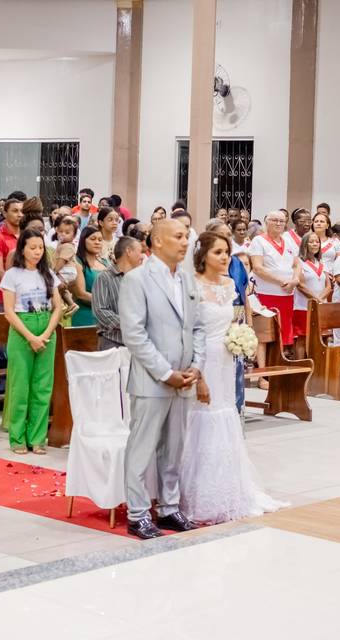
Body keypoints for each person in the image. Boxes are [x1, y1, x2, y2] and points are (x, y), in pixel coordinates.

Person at [179, 231, 286, 524]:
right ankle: (197, 492)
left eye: (226, 251)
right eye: (218, 252)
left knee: (226, 412)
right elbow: (188, 332)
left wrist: (241, 338)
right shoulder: (192, 286)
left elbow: (235, 319)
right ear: (202, 256)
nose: (225, 257)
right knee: (202, 414)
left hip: (226, 358)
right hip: (203, 359)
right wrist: (197, 374)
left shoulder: (228, 285)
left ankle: (229, 487)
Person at [119, 219, 205, 539]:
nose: (185, 242)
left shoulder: (187, 280)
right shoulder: (137, 279)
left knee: (174, 448)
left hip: (184, 379)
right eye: (178, 237)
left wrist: (196, 365)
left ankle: (169, 508)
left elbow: (197, 327)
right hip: (153, 380)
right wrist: (166, 373)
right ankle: (138, 512)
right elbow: (135, 334)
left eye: (186, 237)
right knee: (142, 448)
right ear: (156, 242)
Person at [1, 228, 63, 455]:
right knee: (20, 386)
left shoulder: (48, 274)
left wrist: (45, 335)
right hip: (22, 329)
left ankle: (37, 437)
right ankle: (18, 437)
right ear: (22, 249)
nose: (37, 252)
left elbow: (58, 308)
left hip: (46, 327)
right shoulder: (13, 275)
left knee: (42, 387)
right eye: (32, 248)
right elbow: (8, 311)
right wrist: (31, 337)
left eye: (40, 248)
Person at [249, 210, 300, 349]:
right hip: (266, 295)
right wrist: (282, 281)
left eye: (281, 221)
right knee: (266, 334)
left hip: (287, 295)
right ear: (266, 222)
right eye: (274, 220)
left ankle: (280, 362)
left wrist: (294, 280)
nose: (278, 223)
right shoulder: (258, 241)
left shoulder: (289, 242)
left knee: (284, 333)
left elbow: (297, 264)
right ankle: (266, 366)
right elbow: (258, 268)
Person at [92, 236, 143, 349]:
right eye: (140, 252)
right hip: (113, 342)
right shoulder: (104, 277)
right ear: (128, 251)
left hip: (138, 342)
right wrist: (128, 324)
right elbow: (100, 310)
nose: (142, 256)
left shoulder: (141, 277)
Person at [292, 232, 331, 355]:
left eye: (317, 242)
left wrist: (320, 299)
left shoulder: (321, 263)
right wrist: (316, 298)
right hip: (304, 306)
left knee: (318, 338)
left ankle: (316, 366)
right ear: (304, 244)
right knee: (302, 338)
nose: (315, 244)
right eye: (311, 241)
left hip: (320, 306)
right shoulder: (299, 262)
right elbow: (300, 285)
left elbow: (328, 286)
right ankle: (301, 368)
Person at [71, 225, 109, 327]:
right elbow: (81, 294)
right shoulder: (77, 262)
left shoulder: (106, 262)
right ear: (83, 241)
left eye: (100, 240)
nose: (97, 242)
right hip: (86, 317)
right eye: (93, 239)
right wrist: (107, 301)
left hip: (107, 316)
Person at [0, 197, 23, 311]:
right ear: (4, 212)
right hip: (3, 297)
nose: (19, 214)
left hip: (25, 296)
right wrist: (17, 289)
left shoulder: (26, 235)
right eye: (15, 211)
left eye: (21, 211)